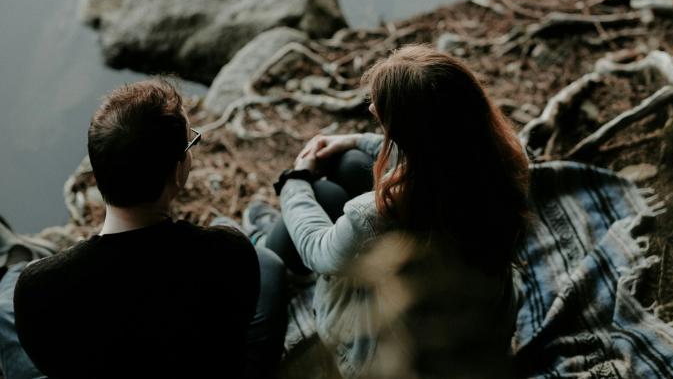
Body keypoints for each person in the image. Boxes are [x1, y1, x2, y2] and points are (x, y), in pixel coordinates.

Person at [266, 45, 530, 378]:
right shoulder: (508, 162)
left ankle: (267, 261)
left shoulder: (377, 214)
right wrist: (354, 140)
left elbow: (317, 249)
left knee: (319, 196)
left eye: (381, 112)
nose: (373, 107)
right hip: (483, 330)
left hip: (398, 358)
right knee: (351, 163)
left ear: (408, 131)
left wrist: (296, 180)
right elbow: (440, 148)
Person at [1, 79, 287, 379]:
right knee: (267, 262)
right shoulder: (227, 253)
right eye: (190, 144)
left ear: (97, 176)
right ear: (177, 172)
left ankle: (11, 260)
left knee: (7, 298)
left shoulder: (39, 290)